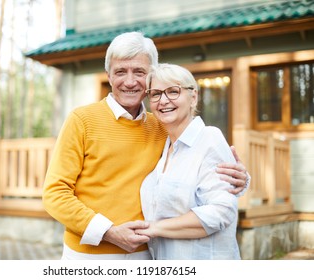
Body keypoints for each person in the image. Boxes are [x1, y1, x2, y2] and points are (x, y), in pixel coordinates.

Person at [42, 31, 249, 260]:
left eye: (139, 72)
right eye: (120, 71)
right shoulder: (81, 120)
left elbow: (200, 160)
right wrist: (108, 232)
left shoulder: (162, 125)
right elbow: (55, 194)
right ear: (109, 76)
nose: (129, 81)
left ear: (151, 76)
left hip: (147, 253)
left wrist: (241, 179)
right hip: (90, 256)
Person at [135, 63, 241, 259]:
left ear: (193, 97)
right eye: (156, 94)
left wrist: (154, 228)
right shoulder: (163, 147)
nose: (163, 100)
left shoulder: (210, 139)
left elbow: (221, 211)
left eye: (173, 91)